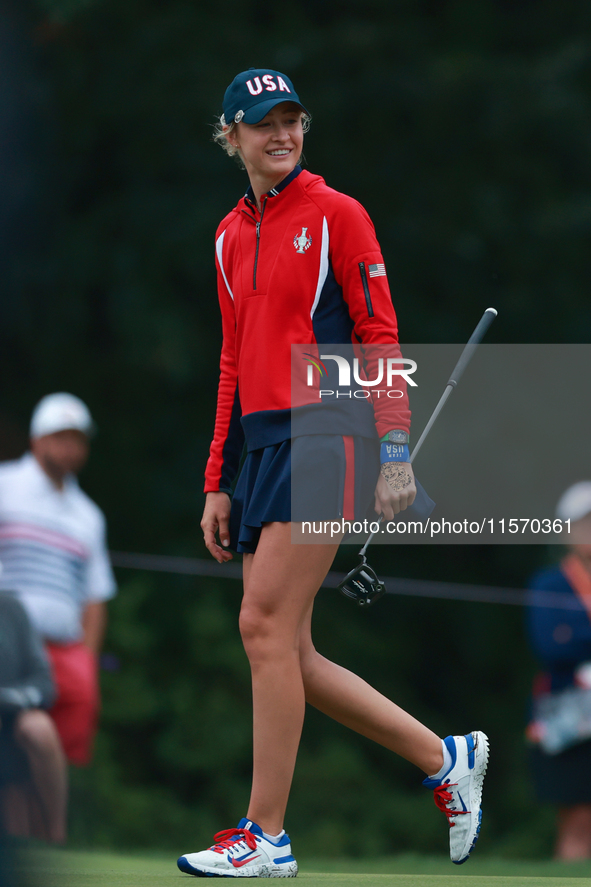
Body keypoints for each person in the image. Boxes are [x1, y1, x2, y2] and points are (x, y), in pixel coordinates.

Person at [177, 69, 488, 878]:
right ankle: (443, 758)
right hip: (267, 443)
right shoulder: (225, 235)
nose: (281, 135)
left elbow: (379, 335)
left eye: (292, 121)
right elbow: (231, 361)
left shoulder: (338, 214)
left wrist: (393, 450)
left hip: (331, 429)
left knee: (260, 627)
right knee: (289, 648)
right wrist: (219, 475)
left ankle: (265, 833)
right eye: (262, 124)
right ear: (231, 135)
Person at [0, 393, 117, 767]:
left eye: (78, 439)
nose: (70, 447)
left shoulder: (88, 516)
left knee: (62, 756)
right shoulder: (5, 486)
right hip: (9, 643)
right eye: (61, 436)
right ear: (37, 439)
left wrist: (86, 663)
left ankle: (49, 824)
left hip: (64, 654)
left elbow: (95, 600)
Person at [527, 481, 591, 860]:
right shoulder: (549, 582)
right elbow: (551, 645)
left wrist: (578, 632)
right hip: (567, 719)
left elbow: (569, 638)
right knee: (578, 818)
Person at [0, 590, 68, 844]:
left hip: (15, 712)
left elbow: (44, 683)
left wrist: (8, 700)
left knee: (40, 729)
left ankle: (55, 835)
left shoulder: (11, 607)